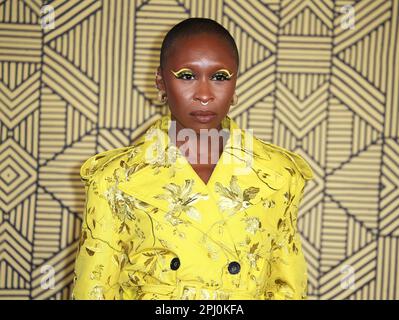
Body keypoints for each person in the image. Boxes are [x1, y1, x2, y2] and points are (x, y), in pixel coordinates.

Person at [71, 17, 314, 300]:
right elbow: (94, 289)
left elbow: (287, 287)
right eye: (187, 75)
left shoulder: (277, 174)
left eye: (220, 77)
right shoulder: (115, 179)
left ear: (235, 85)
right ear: (161, 82)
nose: (204, 95)